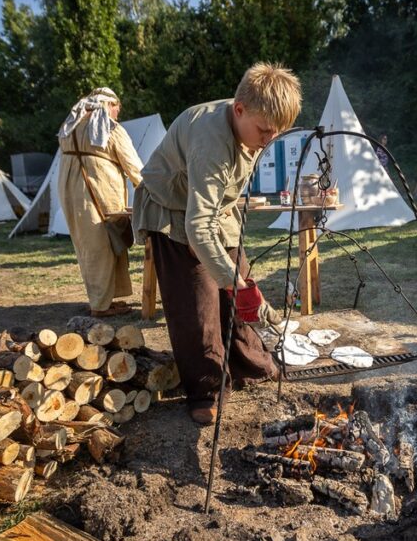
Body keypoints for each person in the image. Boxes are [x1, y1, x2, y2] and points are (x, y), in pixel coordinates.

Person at [132, 63, 302, 425]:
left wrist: (232, 278)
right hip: (173, 209)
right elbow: (197, 224)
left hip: (213, 213)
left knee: (238, 288)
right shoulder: (211, 141)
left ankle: (247, 362)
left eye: (276, 133)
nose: (268, 140)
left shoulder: (254, 117)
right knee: (197, 304)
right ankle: (204, 387)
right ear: (239, 110)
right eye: (265, 132)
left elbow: (215, 207)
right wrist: (225, 275)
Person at [57, 88, 144, 318]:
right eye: (117, 109)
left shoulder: (69, 128)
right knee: (101, 247)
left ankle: (103, 300)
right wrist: (153, 192)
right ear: (109, 105)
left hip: (71, 194)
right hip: (98, 194)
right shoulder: (110, 130)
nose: (118, 114)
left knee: (89, 247)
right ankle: (100, 307)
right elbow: (135, 168)